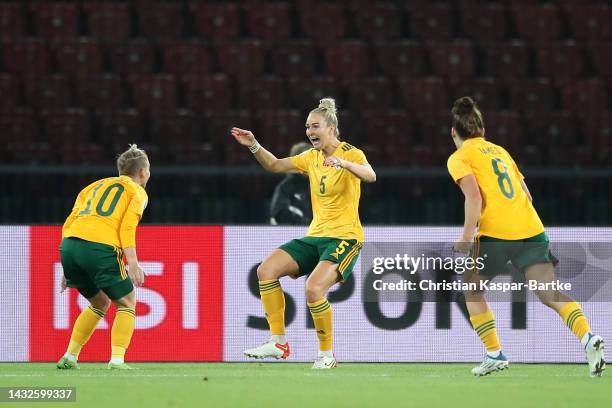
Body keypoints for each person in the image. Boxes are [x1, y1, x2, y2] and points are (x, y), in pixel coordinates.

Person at [447, 96, 605, 377]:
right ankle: (588, 337)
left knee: (471, 291)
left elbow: (474, 198)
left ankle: (494, 353)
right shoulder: (500, 151)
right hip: (532, 230)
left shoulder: (459, 157)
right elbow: (527, 195)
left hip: (497, 234)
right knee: (550, 294)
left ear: (454, 133)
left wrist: (466, 237)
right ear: (482, 130)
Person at [231, 98, 376, 369]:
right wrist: (253, 144)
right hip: (316, 235)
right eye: (307, 127)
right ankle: (278, 342)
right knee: (266, 270)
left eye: (315, 126)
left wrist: (345, 164)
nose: (310, 131)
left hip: (345, 237)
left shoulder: (351, 153)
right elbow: (274, 165)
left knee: (313, 289)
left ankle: (326, 355)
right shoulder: (311, 157)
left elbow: (370, 175)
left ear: (331, 128)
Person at [56, 144, 150, 370]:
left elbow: (70, 221)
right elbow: (127, 227)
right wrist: (133, 263)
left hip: (69, 246)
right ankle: (117, 360)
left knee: (99, 303)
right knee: (127, 303)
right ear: (143, 172)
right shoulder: (137, 192)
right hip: (100, 247)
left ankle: (70, 356)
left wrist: (66, 266)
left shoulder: (92, 186)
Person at [269, 142, 312, 225]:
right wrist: (306, 225)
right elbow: (280, 213)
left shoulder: (322, 183)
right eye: (305, 160)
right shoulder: (285, 187)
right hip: (296, 233)